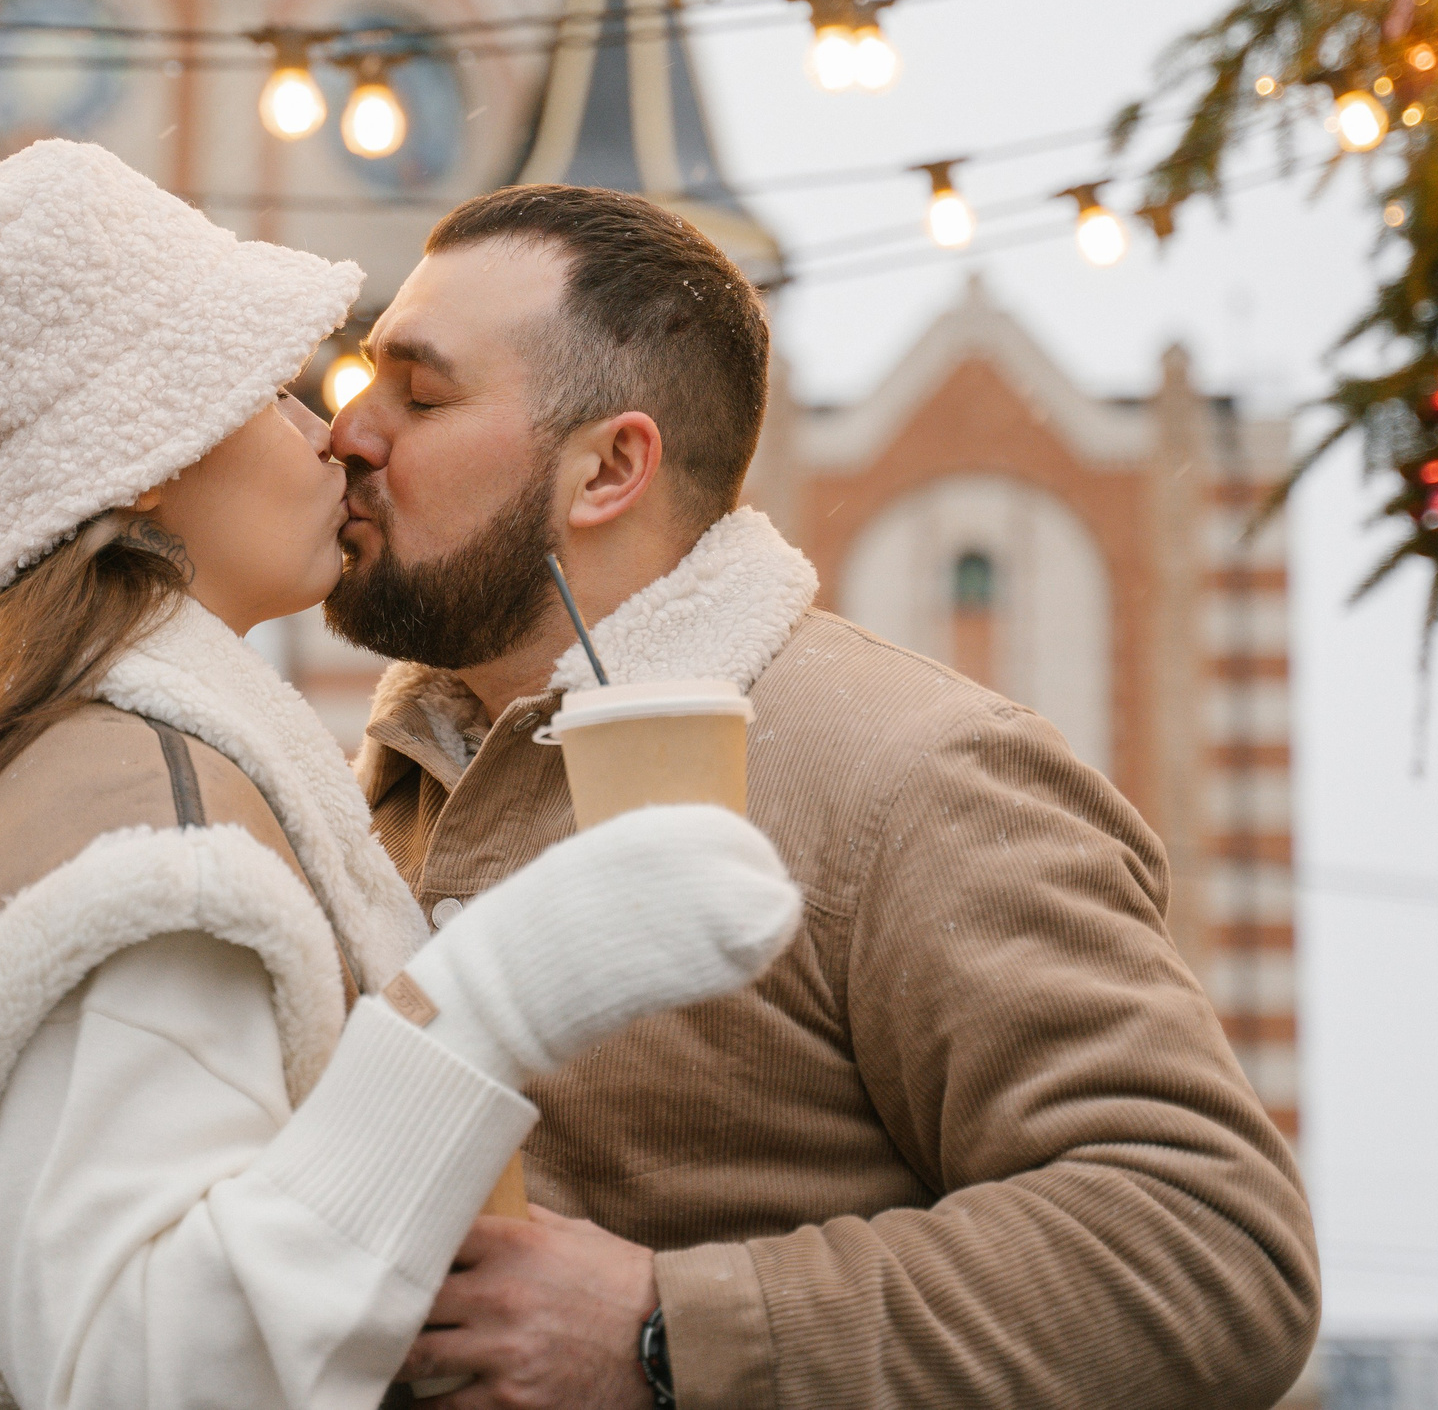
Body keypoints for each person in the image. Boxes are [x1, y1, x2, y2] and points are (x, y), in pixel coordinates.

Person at [0, 143, 803, 1410]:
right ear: (148, 455)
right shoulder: (154, 833)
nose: (336, 440)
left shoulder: (37, 762)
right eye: (279, 392)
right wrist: (499, 996)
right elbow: (155, 1374)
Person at [327, 184, 1323, 1410]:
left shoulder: (913, 771)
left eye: (419, 397)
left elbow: (1207, 1247)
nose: (349, 434)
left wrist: (665, 1331)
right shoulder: (358, 796)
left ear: (608, 470)